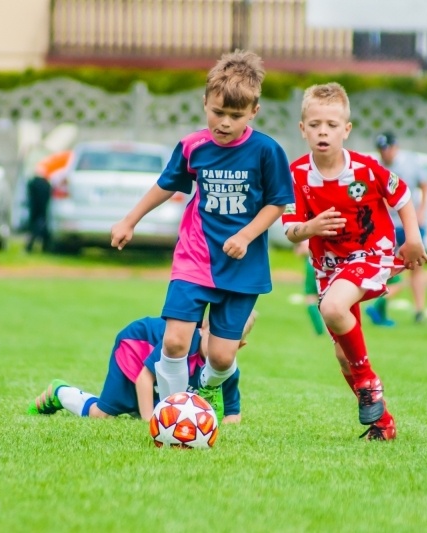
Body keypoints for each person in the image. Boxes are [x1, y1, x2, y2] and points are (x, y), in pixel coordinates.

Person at [110, 50, 295, 408]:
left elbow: (277, 203)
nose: (224, 122)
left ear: (254, 112)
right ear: (205, 103)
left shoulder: (267, 151)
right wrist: (130, 220)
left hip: (244, 265)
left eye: (235, 116)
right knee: (176, 343)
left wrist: (244, 236)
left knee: (222, 357)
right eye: (217, 112)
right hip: (195, 257)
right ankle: (176, 412)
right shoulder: (193, 146)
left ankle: (207, 389)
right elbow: (167, 184)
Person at [282, 82, 427, 441]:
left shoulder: (366, 168)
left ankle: (368, 382)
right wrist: (309, 228)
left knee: (333, 308)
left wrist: (412, 239)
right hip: (328, 268)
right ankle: (383, 424)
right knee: (343, 355)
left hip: (371, 255)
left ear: (346, 129)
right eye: (315, 124)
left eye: (332, 125)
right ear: (303, 129)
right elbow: (289, 229)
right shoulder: (296, 175)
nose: (323, 132)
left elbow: (403, 196)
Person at [27, 314, 256, 423]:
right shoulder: (179, 345)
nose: (218, 348)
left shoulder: (227, 370)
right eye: (212, 336)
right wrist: (150, 420)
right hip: (137, 347)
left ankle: (141, 409)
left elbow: (233, 414)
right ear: (202, 328)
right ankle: (60, 392)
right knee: (102, 414)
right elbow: (144, 379)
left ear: (240, 346)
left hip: (152, 372)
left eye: (228, 342)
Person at [366, 131, 427, 324]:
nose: (384, 153)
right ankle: (381, 308)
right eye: (381, 150)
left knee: (417, 266)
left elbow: (425, 186)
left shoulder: (410, 162)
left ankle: (419, 310)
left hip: (410, 224)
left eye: (387, 149)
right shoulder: (377, 167)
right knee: (387, 267)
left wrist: (421, 212)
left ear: (395, 147)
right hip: (388, 226)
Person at [26, 150, 71, 253]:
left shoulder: (65, 155)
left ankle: (34, 244)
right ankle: (39, 244)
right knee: (43, 216)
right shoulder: (73, 159)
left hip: (36, 181)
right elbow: (63, 179)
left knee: (36, 215)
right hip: (42, 182)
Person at [294, 239, 326, 335]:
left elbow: (303, 249)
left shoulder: (306, 236)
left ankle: (319, 330)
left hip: (312, 265)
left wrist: (299, 250)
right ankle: (321, 329)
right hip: (319, 264)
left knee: (311, 299)